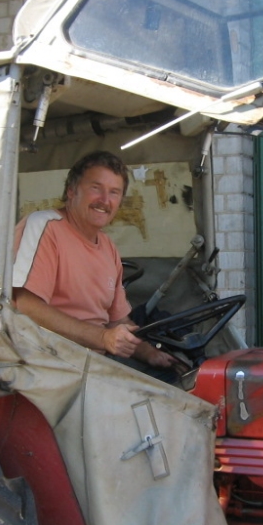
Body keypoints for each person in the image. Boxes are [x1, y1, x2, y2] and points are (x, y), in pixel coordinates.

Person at [12, 150, 181, 383]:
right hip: (51, 362)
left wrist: (149, 352)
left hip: (93, 361)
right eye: (96, 188)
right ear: (72, 191)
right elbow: (26, 306)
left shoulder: (108, 248)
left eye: (114, 192)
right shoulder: (44, 227)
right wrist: (103, 338)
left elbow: (117, 321)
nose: (104, 200)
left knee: (178, 378)